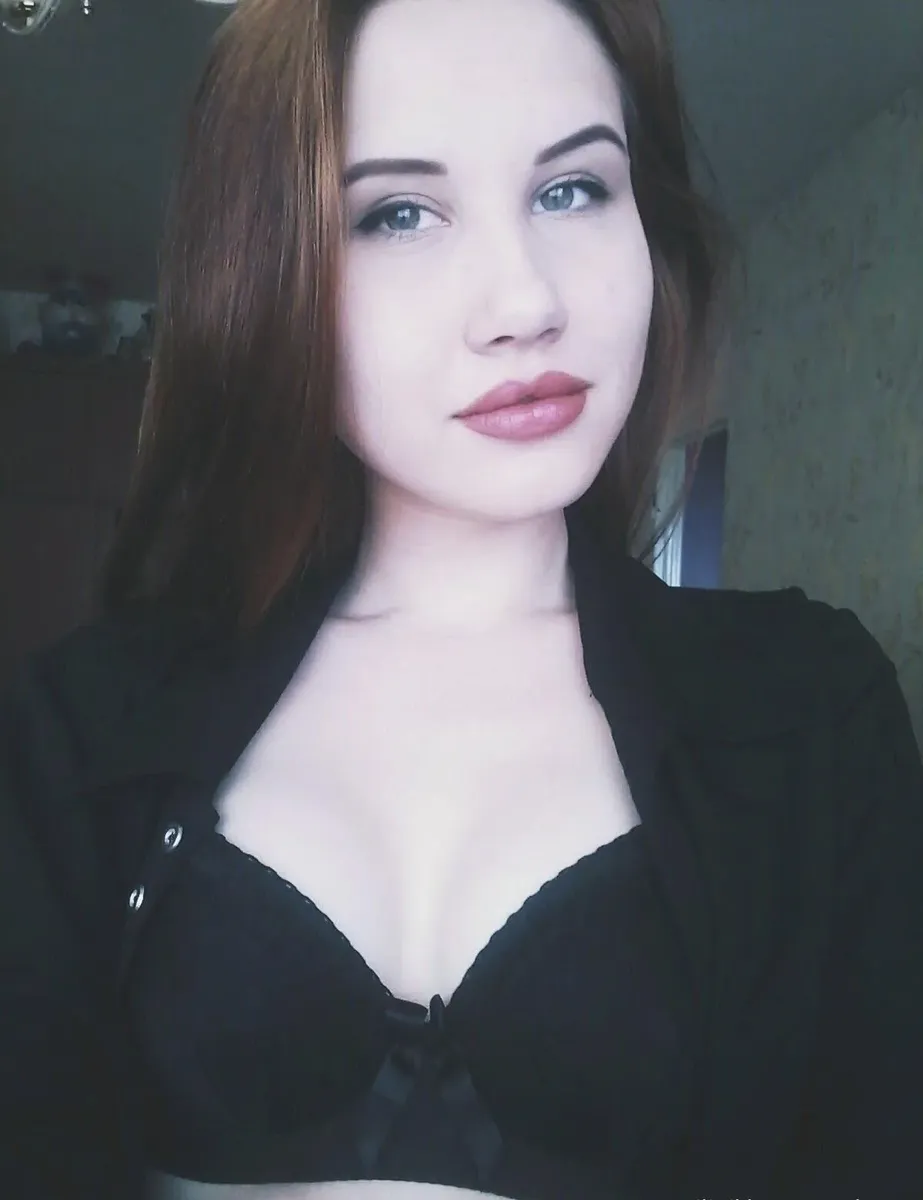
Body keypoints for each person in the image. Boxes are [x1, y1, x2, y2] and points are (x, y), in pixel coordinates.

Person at [1, 0, 921, 1196]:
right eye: (398, 213)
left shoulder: (809, 717)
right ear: (269, 272)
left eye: (572, 189)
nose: (524, 301)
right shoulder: (81, 732)